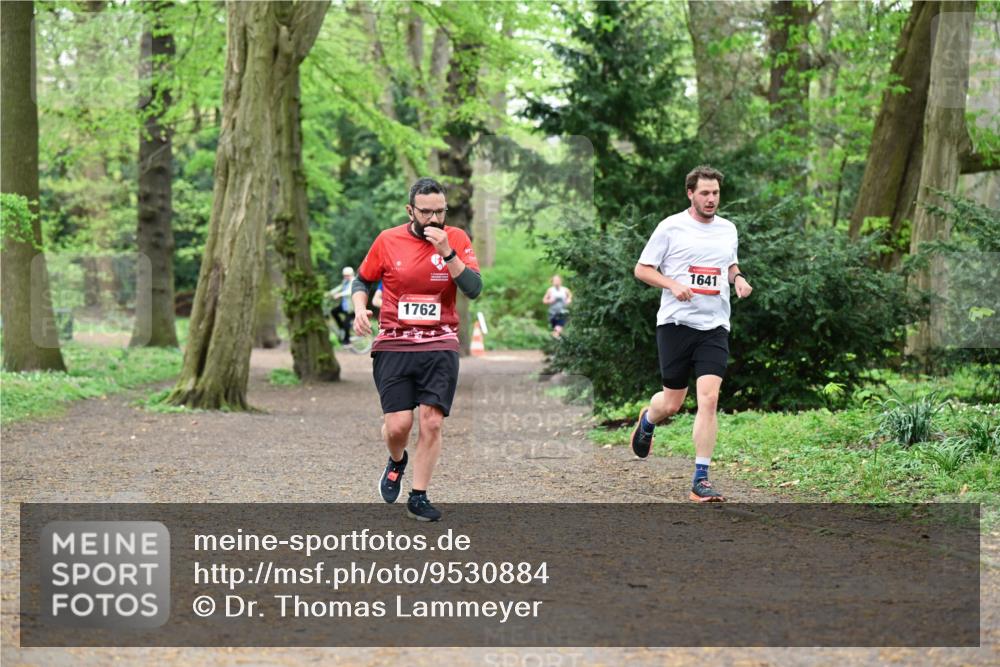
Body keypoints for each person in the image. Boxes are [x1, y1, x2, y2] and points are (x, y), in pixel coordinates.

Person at [352, 177, 482, 521]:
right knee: (398, 427)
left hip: (440, 342)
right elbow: (362, 279)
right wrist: (359, 307)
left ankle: (419, 495)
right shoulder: (388, 240)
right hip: (395, 341)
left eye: (440, 211)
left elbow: (473, 288)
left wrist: (448, 253)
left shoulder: (456, 239)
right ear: (411, 210)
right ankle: (397, 461)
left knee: (432, 422)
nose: (434, 219)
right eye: (426, 212)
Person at [629, 165, 753, 502]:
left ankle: (701, 479)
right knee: (672, 402)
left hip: (714, 326)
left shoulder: (728, 229)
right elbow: (642, 269)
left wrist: (738, 279)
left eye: (715, 193)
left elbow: (729, 264)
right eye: (704, 193)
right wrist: (673, 284)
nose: (711, 199)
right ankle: (648, 419)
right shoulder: (671, 227)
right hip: (676, 324)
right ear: (690, 194)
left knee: (709, 399)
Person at [330, 267, 355, 344]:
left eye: (347, 275)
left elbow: (350, 291)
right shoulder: (345, 281)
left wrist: (339, 295)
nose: (346, 277)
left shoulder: (354, 281)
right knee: (333, 311)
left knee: (346, 323)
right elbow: (340, 288)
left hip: (351, 308)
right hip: (345, 306)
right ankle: (341, 327)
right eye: (344, 275)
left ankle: (347, 341)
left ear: (351, 275)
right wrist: (330, 293)